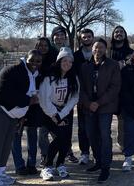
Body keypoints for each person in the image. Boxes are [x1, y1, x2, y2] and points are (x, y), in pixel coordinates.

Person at [0, 49, 42, 186]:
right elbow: (2, 91)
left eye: (38, 61)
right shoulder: (12, 70)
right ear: (25, 59)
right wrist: (28, 101)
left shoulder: (35, 75)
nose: (35, 63)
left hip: (10, 113)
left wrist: (22, 116)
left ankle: (0, 174)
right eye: (32, 60)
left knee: (7, 143)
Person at [79, 38, 121, 183]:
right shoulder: (85, 66)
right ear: (92, 49)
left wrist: (99, 102)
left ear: (106, 49)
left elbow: (115, 87)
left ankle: (105, 166)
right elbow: (81, 88)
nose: (98, 50)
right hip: (89, 106)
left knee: (104, 135)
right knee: (91, 134)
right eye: (96, 47)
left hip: (105, 106)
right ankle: (98, 161)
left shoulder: (113, 65)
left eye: (101, 47)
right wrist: (88, 103)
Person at [38, 47, 80, 181]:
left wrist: (63, 113)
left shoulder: (73, 78)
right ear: (59, 61)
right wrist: (54, 115)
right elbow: (44, 99)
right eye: (64, 60)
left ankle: (60, 164)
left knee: (66, 139)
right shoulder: (49, 77)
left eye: (70, 61)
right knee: (59, 137)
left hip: (64, 112)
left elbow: (75, 97)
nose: (67, 64)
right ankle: (47, 166)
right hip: (49, 112)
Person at [108, 25, 134, 152]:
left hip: (125, 89)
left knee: (123, 119)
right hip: (108, 89)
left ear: (125, 34)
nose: (119, 34)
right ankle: (105, 144)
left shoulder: (130, 52)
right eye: (116, 32)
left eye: (121, 32)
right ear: (113, 35)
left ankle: (122, 144)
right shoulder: (108, 51)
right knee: (106, 119)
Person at [73, 29, 94, 166]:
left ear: (93, 37)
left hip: (97, 95)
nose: (86, 39)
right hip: (82, 95)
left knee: (97, 127)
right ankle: (84, 153)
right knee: (83, 127)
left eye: (88, 36)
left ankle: (97, 153)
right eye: (84, 37)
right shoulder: (76, 55)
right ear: (80, 39)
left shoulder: (99, 52)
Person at [35, 37, 53, 168]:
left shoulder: (53, 59)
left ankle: (64, 152)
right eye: (40, 45)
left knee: (56, 130)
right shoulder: (33, 60)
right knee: (42, 131)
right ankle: (44, 154)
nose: (43, 47)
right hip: (38, 99)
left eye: (46, 45)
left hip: (52, 97)